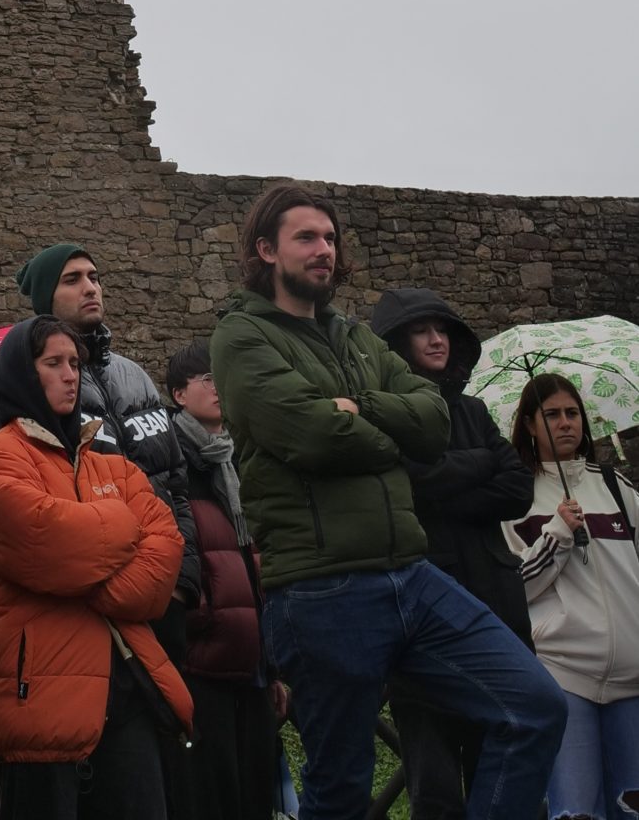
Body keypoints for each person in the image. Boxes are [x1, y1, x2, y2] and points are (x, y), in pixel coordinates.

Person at [210, 181, 566, 820]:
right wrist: (392, 438)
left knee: (534, 706)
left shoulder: (354, 337)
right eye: (306, 237)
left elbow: (433, 420)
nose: (324, 249)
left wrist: (361, 408)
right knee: (341, 789)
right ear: (265, 250)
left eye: (330, 237)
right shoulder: (241, 337)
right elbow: (315, 436)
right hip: (322, 589)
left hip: (410, 573)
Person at [0, 315, 193, 820]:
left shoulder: (108, 461)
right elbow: (45, 540)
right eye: (53, 363)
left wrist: (84, 569)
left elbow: (165, 552)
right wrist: (120, 523)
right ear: (23, 372)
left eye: (74, 363)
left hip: (126, 696)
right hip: (39, 703)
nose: (70, 375)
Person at [0, 243, 200, 631]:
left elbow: (175, 483)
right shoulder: (10, 385)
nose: (90, 287)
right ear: (46, 298)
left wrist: (184, 581)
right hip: (85, 607)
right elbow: (14, 511)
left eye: (94, 277)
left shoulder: (136, 377)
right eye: (72, 280)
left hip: (166, 591)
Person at [370, 287, 535, 820]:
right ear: (396, 344)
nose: (436, 339)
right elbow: (409, 484)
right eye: (422, 330)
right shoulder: (386, 415)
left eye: (442, 329)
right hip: (423, 621)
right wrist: (480, 464)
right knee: (436, 792)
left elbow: (518, 489)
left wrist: (447, 481)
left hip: (494, 601)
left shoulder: (474, 410)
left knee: (501, 777)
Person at [504, 373, 639, 820]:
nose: (566, 423)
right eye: (552, 415)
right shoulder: (514, 498)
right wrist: (558, 532)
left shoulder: (616, 487)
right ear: (529, 424)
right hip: (563, 676)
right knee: (575, 812)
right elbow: (514, 588)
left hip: (633, 677)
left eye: (572, 413)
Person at [165, 336, 282, 820]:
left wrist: (271, 663)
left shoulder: (240, 459)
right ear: (178, 394)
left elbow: (255, 560)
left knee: (255, 796)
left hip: (250, 660)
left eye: (222, 378)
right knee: (211, 798)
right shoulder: (172, 461)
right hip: (203, 661)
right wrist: (199, 621)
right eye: (206, 379)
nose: (218, 388)